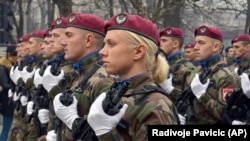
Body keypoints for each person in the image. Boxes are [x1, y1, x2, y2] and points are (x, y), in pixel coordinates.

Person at [86, 13, 179, 140]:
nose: (102, 51)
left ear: (138, 51)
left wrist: (106, 134)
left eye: (111, 44)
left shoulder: (156, 105)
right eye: (104, 44)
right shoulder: (115, 93)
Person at [49, 12, 114, 140]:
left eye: (69, 35)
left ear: (88, 40)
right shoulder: (80, 72)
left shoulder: (103, 79)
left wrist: (73, 122)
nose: (63, 42)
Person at [183, 25, 239, 125]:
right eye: (196, 42)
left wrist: (202, 96)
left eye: (201, 43)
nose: (195, 47)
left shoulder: (227, 76)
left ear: (215, 47)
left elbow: (226, 115)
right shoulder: (196, 71)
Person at [158, 27, 197, 102]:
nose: (160, 44)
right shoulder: (160, 64)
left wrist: (170, 90)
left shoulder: (187, 68)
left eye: (164, 41)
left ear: (175, 44)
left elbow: (190, 99)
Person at [229, 34, 250, 125]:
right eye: (233, 47)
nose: (233, 50)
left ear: (248, 47)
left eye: (237, 47)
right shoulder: (233, 64)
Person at [0, 45, 17, 141]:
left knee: (9, 128)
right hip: (7, 101)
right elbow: (6, 85)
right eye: (15, 55)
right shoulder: (2, 67)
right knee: (6, 128)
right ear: (9, 55)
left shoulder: (11, 65)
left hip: (10, 100)